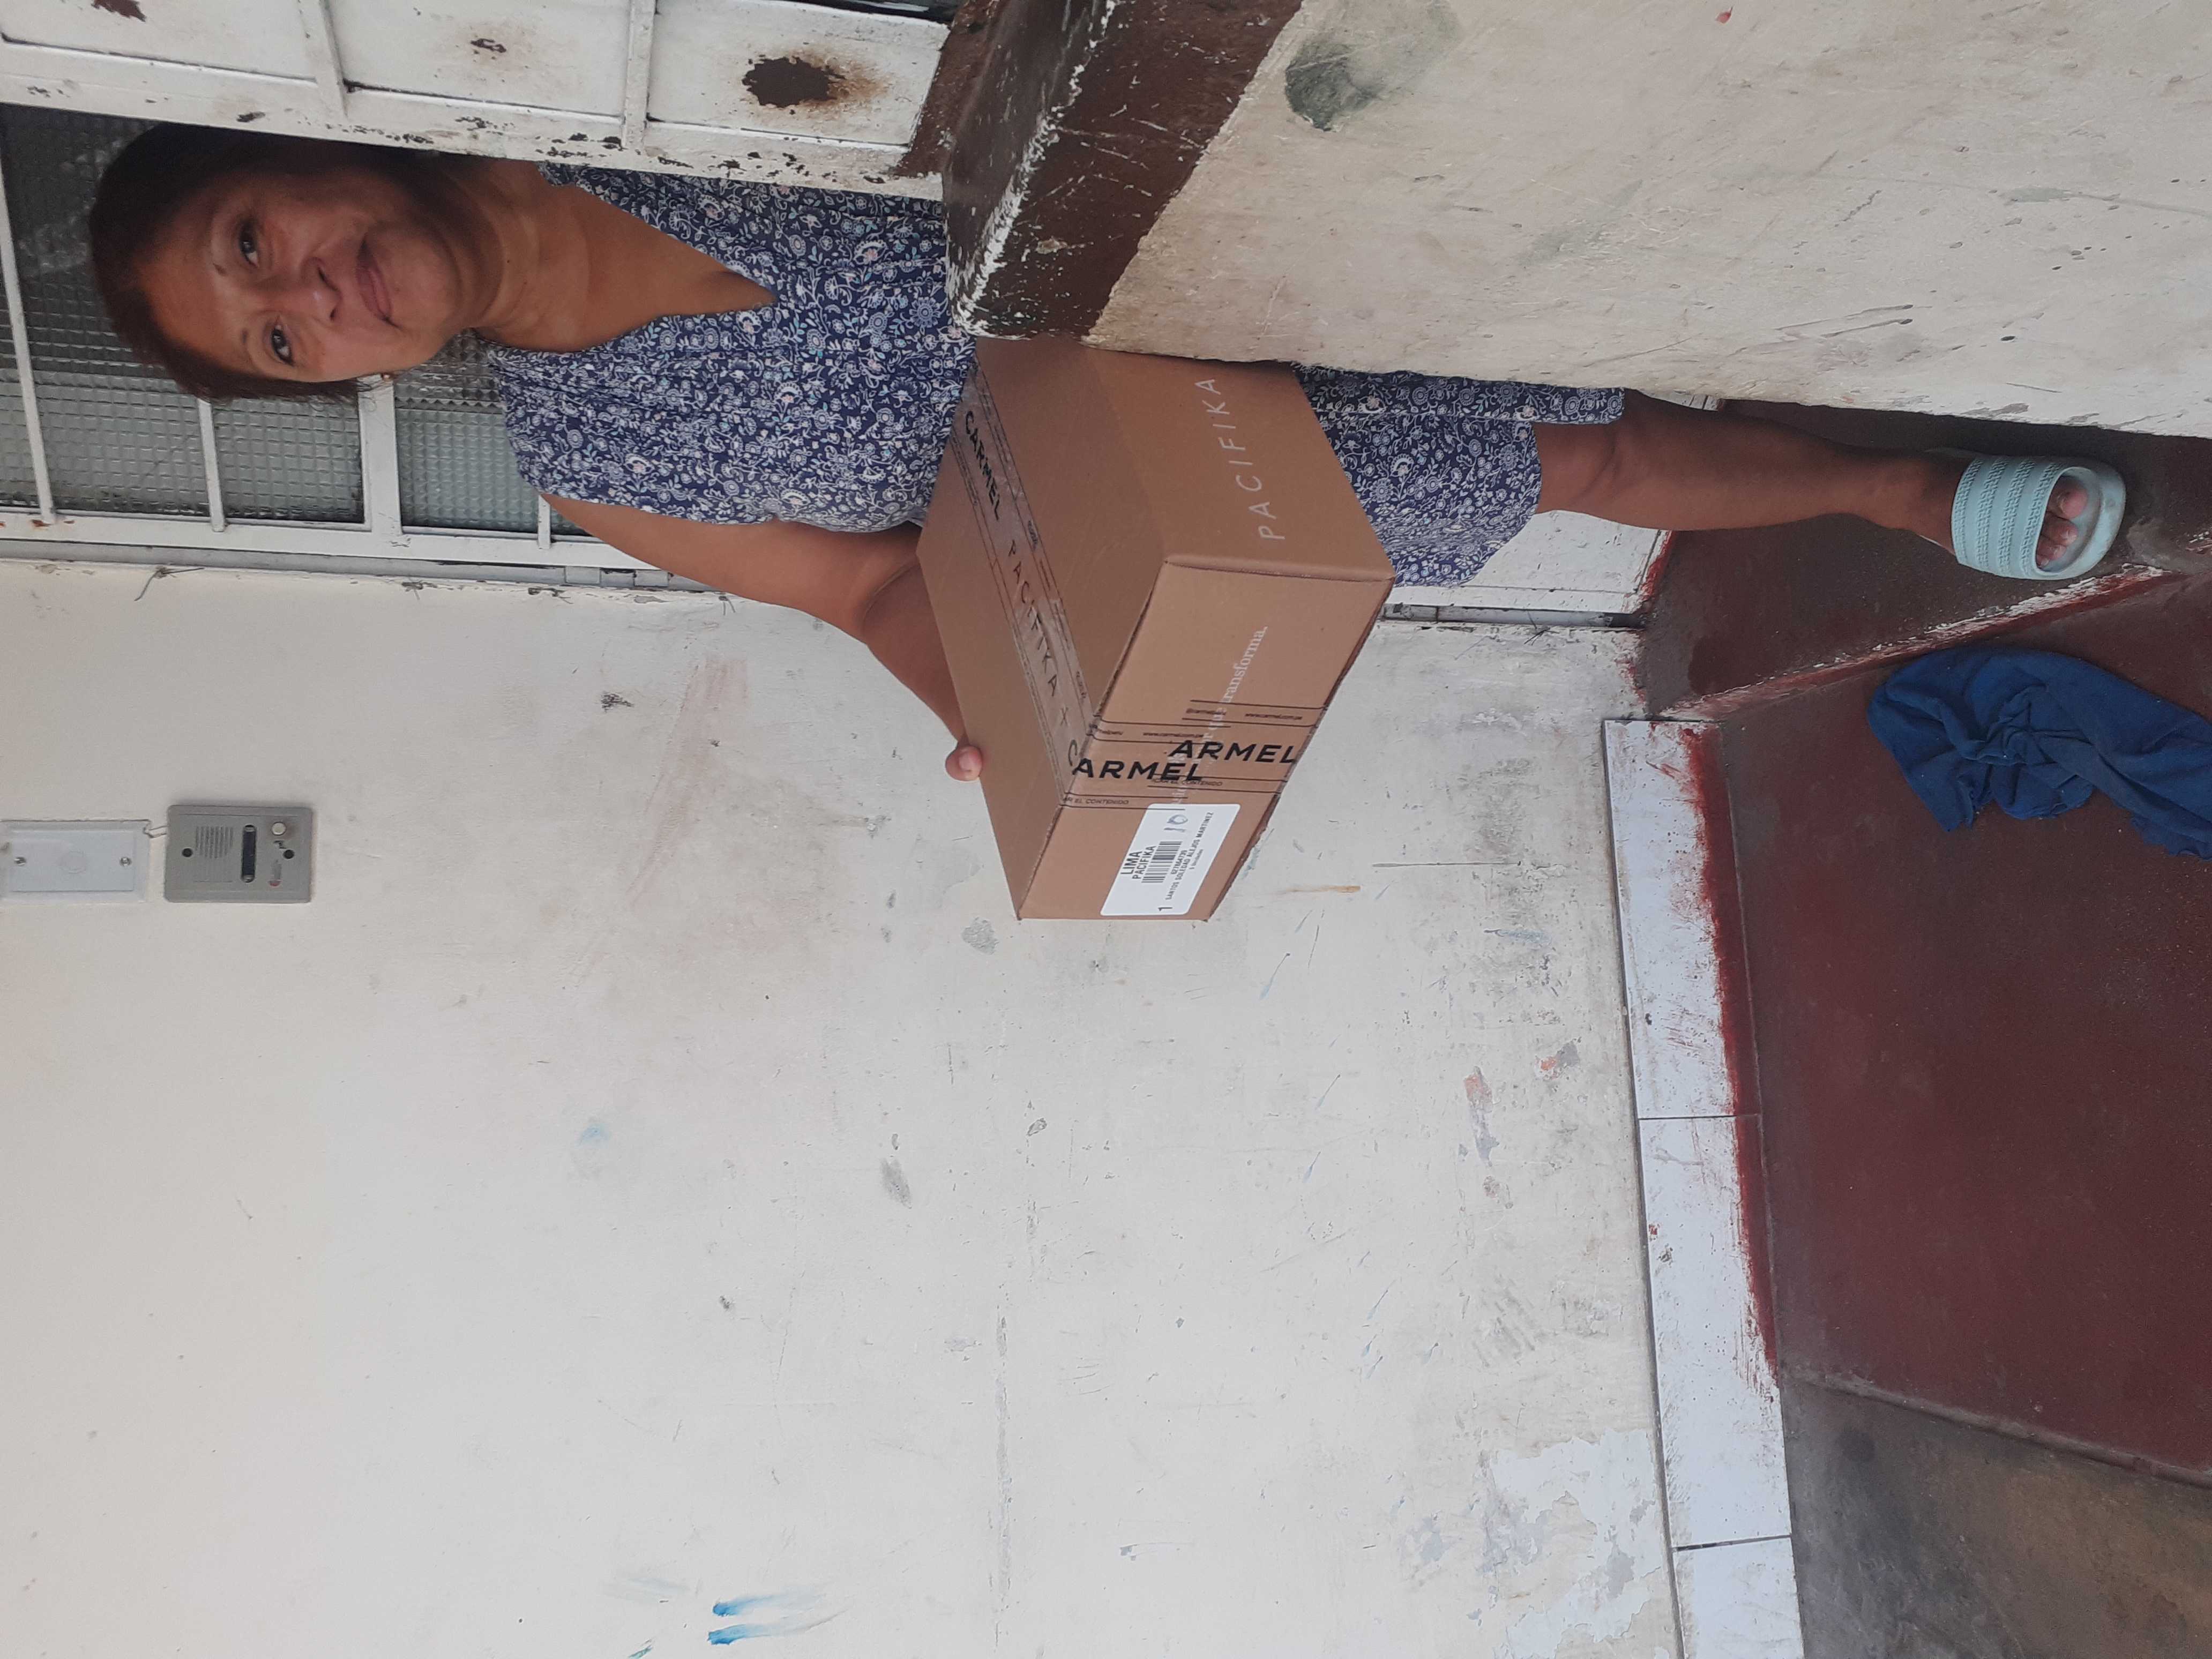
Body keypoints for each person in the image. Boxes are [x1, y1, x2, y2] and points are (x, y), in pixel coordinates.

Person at [92, 126, 2117, 780]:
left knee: (1568, 261)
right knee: (1580, 461)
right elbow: (871, 584)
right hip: (1182, 471)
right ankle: (1898, 488)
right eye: (274, 340)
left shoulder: (644, 95)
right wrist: (1004, 710)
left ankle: (1939, 303)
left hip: (1251, 240)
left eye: (254, 238)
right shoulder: (589, 460)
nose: (314, 297)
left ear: (297, 151)